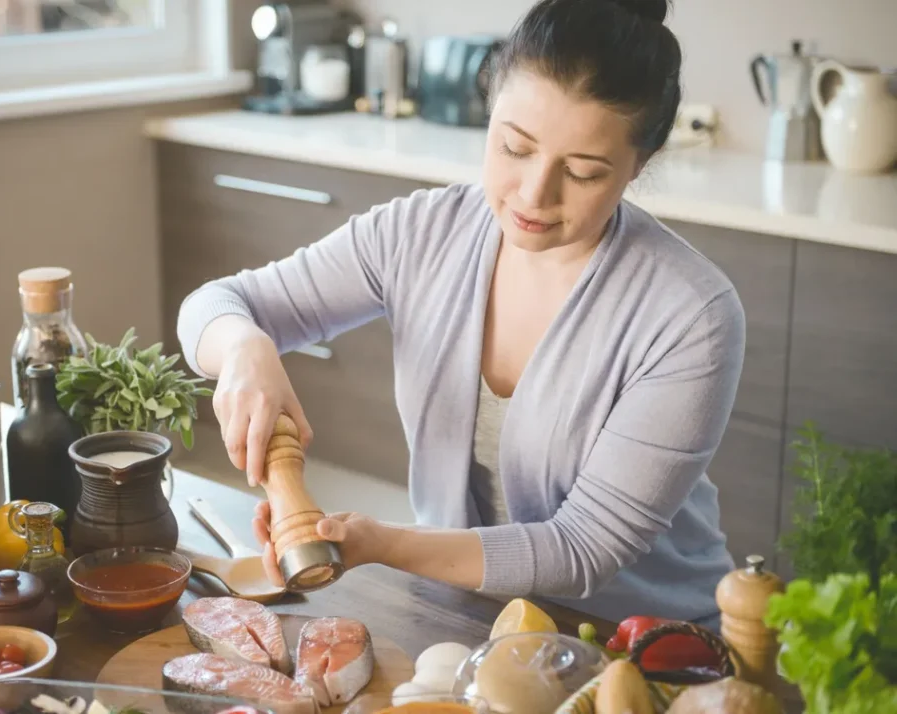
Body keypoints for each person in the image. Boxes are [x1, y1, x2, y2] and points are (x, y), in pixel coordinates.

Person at [176, 0, 744, 628]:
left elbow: (585, 550)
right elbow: (215, 305)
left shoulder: (690, 315)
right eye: (514, 147)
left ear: (640, 163)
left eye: (582, 173)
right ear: (489, 109)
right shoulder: (421, 233)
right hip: (465, 618)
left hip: (637, 643)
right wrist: (244, 350)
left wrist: (381, 543)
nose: (534, 194)